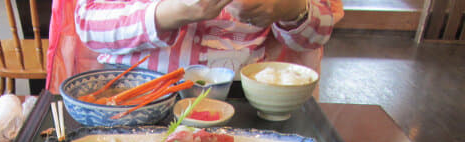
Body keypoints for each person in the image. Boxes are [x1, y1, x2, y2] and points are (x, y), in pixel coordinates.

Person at [72, 0, 343, 79]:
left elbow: (315, 38)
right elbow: (89, 25)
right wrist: (169, 13)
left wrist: (287, 8)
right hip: (135, 96)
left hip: (240, 99)